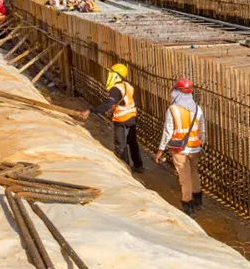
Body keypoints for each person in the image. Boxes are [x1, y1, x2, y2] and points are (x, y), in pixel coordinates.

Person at [76, 63, 144, 173]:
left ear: (116, 75)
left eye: (111, 73)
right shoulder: (127, 85)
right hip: (132, 118)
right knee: (132, 143)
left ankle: (125, 170)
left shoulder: (116, 89)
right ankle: (139, 166)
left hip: (122, 120)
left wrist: (91, 110)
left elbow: (108, 104)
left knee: (120, 146)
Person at [155, 78, 206, 216]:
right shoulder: (197, 108)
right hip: (195, 148)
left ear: (177, 92)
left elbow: (168, 131)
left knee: (185, 178)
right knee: (194, 173)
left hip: (180, 149)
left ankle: (187, 204)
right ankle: (198, 201)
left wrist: (161, 150)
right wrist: (201, 144)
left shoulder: (173, 110)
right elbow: (202, 130)